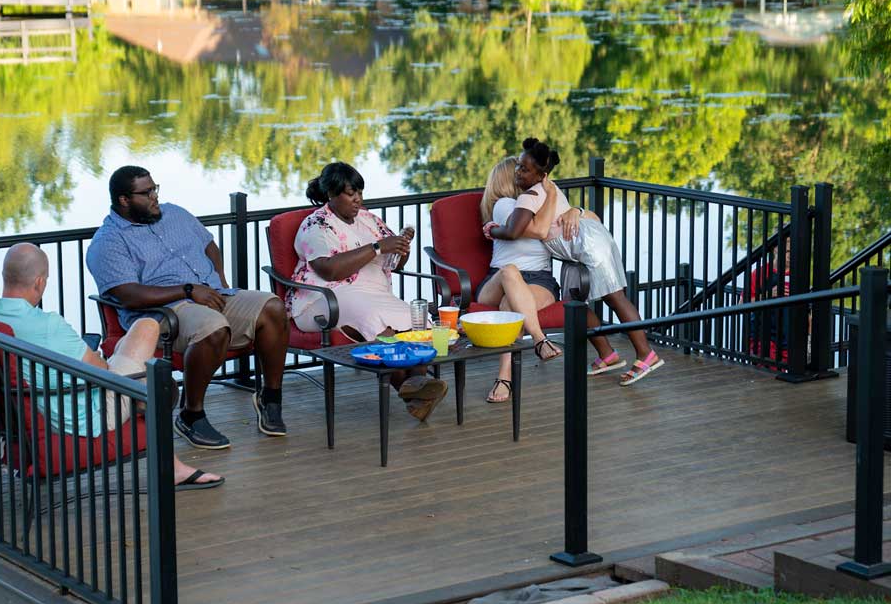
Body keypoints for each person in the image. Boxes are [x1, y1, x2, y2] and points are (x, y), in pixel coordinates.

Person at [0, 243, 223, 491]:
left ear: (5, 276)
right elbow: (102, 370)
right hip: (87, 416)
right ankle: (170, 460)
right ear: (39, 282)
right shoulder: (48, 326)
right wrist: (96, 357)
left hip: (36, 410)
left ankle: (167, 452)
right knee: (147, 328)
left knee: (130, 355)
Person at [86, 165, 290, 450]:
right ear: (124, 200)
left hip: (212, 294)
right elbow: (129, 295)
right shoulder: (108, 242)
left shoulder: (175, 214)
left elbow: (209, 246)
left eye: (155, 188)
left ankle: (270, 398)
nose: (155, 196)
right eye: (146, 193)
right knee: (213, 327)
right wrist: (188, 290)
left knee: (273, 307)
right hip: (163, 312)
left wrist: (220, 282)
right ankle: (191, 415)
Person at [485, 138, 663, 386]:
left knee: (615, 298)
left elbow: (525, 230)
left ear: (541, 175)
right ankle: (608, 355)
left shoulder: (531, 197)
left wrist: (493, 230)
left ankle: (646, 354)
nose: (518, 172)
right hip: (578, 249)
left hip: (587, 246)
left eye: (524, 168)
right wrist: (575, 210)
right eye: (518, 167)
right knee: (574, 302)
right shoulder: (547, 190)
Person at [289, 161, 448, 420]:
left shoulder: (369, 220)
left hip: (374, 294)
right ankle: (413, 390)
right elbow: (329, 270)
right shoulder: (316, 224)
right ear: (331, 194)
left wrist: (401, 247)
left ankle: (416, 390)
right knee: (375, 320)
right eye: (351, 194)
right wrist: (377, 247)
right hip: (325, 298)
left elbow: (395, 264)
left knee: (413, 321)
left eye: (360, 193)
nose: (358, 200)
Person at [476, 157, 563, 403]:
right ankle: (539, 339)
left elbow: (584, 216)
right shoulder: (504, 205)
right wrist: (550, 198)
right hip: (498, 280)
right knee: (510, 271)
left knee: (510, 304)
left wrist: (575, 212)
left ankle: (504, 378)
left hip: (539, 281)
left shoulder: (538, 204)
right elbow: (538, 230)